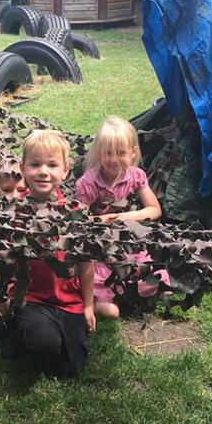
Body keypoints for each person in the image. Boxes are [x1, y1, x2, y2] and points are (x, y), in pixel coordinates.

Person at [3, 129, 96, 378]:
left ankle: (33, 336)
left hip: (69, 302)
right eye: (35, 164)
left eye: (52, 165)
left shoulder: (76, 213)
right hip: (32, 298)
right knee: (43, 345)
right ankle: (18, 331)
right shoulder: (14, 212)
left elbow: (87, 265)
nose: (43, 171)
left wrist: (88, 306)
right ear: (23, 168)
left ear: (65, 170)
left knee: (69, 369)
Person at [75, 116, 170, 319]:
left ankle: (128, 294)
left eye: (121, 153)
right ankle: (104, 300)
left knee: (152, 270)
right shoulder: (89, 183)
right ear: (99, 153)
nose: (114, 159)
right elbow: (80, 220)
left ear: (133, 152)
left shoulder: (135, 176)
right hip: (100, 243)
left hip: (128, 239)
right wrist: (108, 220)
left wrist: (125, 217)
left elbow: (154, 210)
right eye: (108, 153)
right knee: (98, 274)